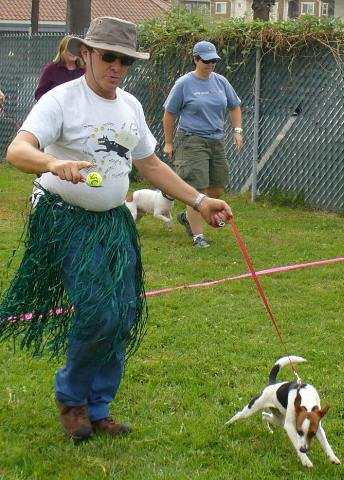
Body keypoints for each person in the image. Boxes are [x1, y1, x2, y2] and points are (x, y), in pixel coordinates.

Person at [0, 17, 232, 443]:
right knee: (97, 312)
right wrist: (53, 163)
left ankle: (99, 406)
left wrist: (199, 201)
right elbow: (18, 149)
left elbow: (150, 165)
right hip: (65, 219)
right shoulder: (60, 100)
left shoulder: (130, 106)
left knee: (123, 313)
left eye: (125, 60)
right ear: (86, 54)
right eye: (108, 56)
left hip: (114, 223)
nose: (117, 67)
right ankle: (72, 400)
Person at [163, 41, 244, 249]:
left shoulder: (221, 82)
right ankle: (198, 237)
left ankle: (187, 216)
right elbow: (169, 113)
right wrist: (169, 143)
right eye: (206, 61)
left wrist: (237, 131)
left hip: (216, 140)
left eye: (214, 61)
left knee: (217, 188)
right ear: (196, 59)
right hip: (191, 140)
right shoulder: (184, 83)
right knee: (197, 189)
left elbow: (234, 106)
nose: (211, 64)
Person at [34, 35, 85, 100]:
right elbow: (39, 94)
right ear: (62, 50)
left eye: (75, 50)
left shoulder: (85, 70)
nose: (73, 52)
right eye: (70, 49)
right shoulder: (51, 69)